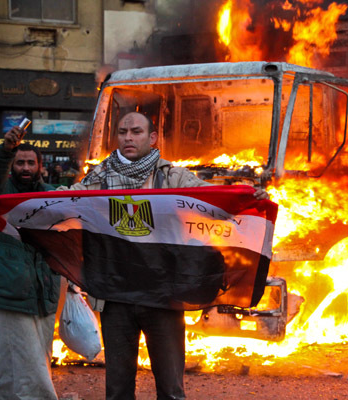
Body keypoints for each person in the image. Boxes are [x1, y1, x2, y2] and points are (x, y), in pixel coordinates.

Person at [70, 111, 268, 400]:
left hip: (163, 295)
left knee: (171, 390)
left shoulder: (172, 176)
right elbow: (62, 201)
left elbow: (210, 198)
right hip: (115, 298)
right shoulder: (98, 179)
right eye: (123, 132)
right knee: (117, 391)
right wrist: (14, 204)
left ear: (151, 138)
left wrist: (247, 196)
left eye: (136, 132)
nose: (128, 137)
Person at [0, 126, 60, 400]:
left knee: (37, 358)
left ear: (40, 166)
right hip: (10, 290)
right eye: (20, 162)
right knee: (18, 363)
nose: (25, 167)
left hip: (44, 293)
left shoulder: (51, 196)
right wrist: (5, 149)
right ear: (12, 166)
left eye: (30, 163)